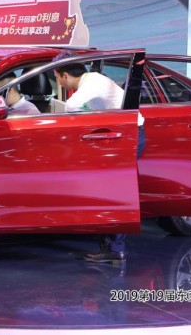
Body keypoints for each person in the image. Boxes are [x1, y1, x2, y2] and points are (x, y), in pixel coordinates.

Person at [52, 50, 145, 264]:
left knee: (114, 192)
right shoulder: (91, 81)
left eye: (56, 77)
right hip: (120, 135)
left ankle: (115, 248)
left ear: (65, 75)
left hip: (128, 136)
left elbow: (72, 107)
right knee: (108, 190)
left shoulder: (91, 83)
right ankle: (110, 245)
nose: (59, 83)